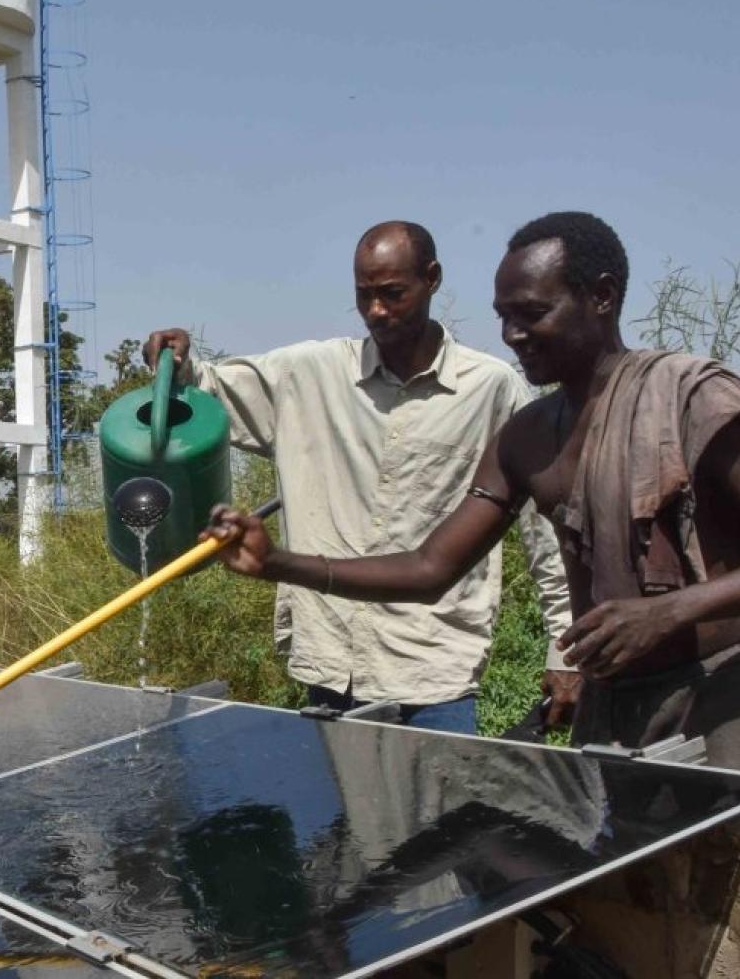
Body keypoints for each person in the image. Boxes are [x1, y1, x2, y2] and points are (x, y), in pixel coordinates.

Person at [206, 211, 740, 775]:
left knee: (737, 869)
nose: (512, 335)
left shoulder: (691, 399)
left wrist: (669, 611)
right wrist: (276, 562)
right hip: (610, 718)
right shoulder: (528, 436)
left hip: (718, 705)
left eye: (532, 313)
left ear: (602, 296)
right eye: (503, 316)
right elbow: (429, 568)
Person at [145, 221, 572, 735]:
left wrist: (566, 652)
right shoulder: (307, 374)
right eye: (364, 295)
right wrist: (179, 362)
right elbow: (206, 395)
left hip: (431, 675)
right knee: (331, 818)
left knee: (441, 819)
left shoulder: (490, 390)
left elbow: (548, 533)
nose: (377, 312)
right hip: (329, 668)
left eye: (393, 294)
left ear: (432, 279)